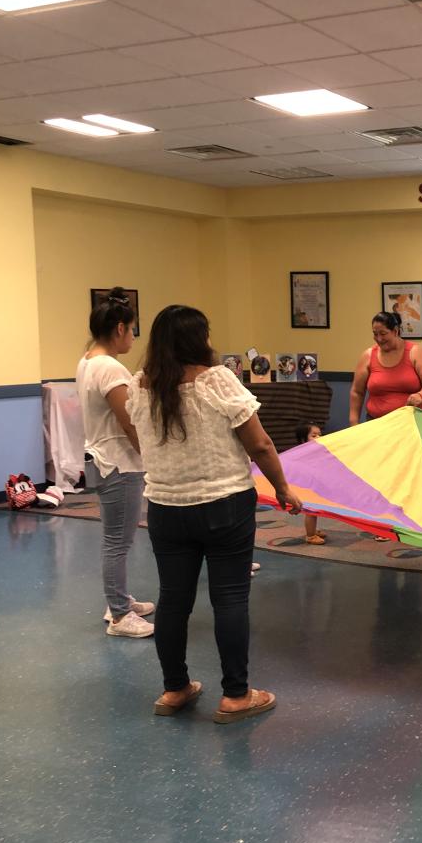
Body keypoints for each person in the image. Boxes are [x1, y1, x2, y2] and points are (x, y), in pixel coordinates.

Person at [126, 305, 301, 724]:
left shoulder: (140, 386)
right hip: (225, 505)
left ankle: (174, 689)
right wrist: (282, 487)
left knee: (173, 601)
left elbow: (139, 438)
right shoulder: (216, 380)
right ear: (196, 339)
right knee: (229, 598)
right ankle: (237, 696)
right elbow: (259, 444)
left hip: (166, 508)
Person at [76, 288, 154, 639]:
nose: (134, 337)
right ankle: (120, 615)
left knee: (116, 538)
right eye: (132, 330)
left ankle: (118, 599)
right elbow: (129, 420)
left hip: (105, 459)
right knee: (118, 542)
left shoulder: (87, 360)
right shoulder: (109, 367)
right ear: (120, 328)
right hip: (120, 464)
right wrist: (152, 458)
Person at [349, 311, 422, 425]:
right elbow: (357, 392)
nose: (379, 338)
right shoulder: (368, 355)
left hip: (411, 424)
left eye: (383, 333)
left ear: (395, 331)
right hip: (377, 423)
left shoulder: (415, 352)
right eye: (375, 334)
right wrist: (353, 422)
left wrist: (421, 396)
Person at [291, 423, 326, 545]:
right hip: (309, 487)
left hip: (315, 485)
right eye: (314, 435)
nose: (318, 437)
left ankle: (313, 530)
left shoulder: (317, 450)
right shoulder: (304, 452)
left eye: (320, 435)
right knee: (311, 511)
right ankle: (310, 535)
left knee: (315, 511)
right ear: (303, 440)